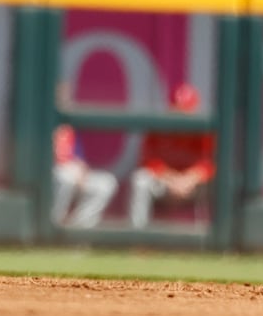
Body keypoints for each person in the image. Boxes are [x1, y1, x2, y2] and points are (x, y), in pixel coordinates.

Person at [129, 82, 216, 229]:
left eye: (186, 111)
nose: (181, 115)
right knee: (140, 180)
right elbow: (148, 161)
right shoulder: (159, 127)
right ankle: (138, 238)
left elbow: (210, 164)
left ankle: (213, 241)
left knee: (223, 184)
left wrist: (187, 180)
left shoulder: (204, 131)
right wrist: (172, 180)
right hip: (165, 183)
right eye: (177, 110)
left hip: (194, 185)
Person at [51, 123, 118, 228]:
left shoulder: (71, 130)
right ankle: (54, 224)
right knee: (66, 178)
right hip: (54, 171)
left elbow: (78, 158)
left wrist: (81, 173)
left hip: (74, 171)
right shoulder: (44, 125)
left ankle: (78, 227)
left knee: (107, 183)